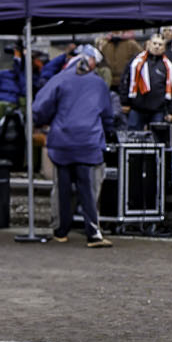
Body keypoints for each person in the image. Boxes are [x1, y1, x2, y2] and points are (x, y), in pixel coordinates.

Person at [32, 45, 117, 246]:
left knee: (62, 188)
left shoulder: (59, 79)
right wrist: (108, 132)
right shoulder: (98, 83)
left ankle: (61, 231)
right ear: (91, 63)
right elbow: (108, 115)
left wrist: (44, 122)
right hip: (88, 141)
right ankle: (93, 233)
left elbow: (40, 108)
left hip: (62, 141)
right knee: (87, 188)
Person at [123, 35, 172, 135]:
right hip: (137, 107)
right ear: (149, 44)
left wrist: (171, 110)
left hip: (158, 109)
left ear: (164, 48)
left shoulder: (168, 66)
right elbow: (125, 81)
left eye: (160, 44)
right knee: (132, 136)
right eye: (154, 43)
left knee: (157, 137)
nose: (157, 46)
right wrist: (125, 102)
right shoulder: (136, 61)